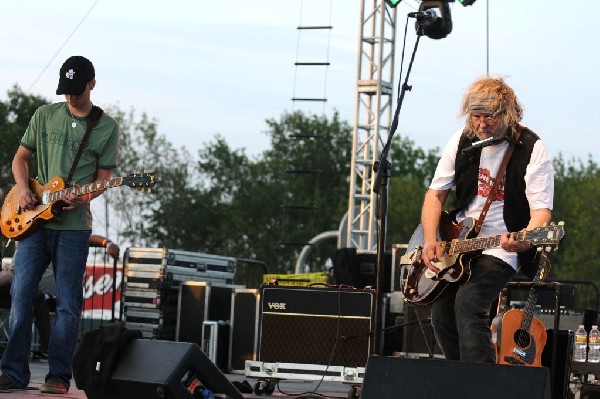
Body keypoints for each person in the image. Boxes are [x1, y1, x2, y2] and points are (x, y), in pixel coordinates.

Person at [0, 55, 119, 393]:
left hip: (73, 228)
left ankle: (58, 376)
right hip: (34, 224)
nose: (69, 97)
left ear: (92, 85)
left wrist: (85, 197)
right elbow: (20, 158)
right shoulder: (44, 115)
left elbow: (104, 177)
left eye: (76, 91)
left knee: (68, 304)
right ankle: (13, 372)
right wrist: (24, 190)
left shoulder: (106, 127)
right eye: (65, 90)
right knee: (21, 297)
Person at [419, 76, 553, 363]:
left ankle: (481, 385)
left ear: (508, 114)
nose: (481, 125)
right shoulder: (461, 140)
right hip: (458, 242)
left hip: (501, 247)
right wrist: (431, 239)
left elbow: (541, 212)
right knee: (441, 312)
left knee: (469, 304)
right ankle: (460, 379)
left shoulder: (532, 147)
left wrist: (525, 240)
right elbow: (435, 194)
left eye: (489, 118)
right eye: (476, 116)